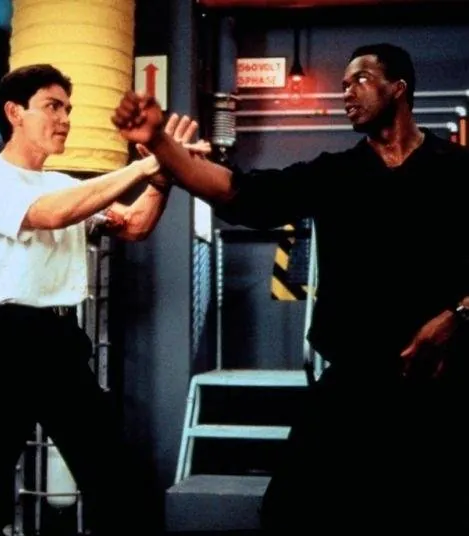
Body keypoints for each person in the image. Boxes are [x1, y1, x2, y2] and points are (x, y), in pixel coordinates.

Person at [111, 43, 469, 530]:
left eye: (360, 80)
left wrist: (457, 316)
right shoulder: (336, 174)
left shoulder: (457, 169)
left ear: (398, 89)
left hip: (439, 383)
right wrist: (160, 142)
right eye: (343, 85)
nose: (346, 93)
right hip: (355, 383)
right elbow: (240, 193)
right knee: (290, 512)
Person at [0, 63, 209, 536]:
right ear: (14, 113)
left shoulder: (64, 184)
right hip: (6, 342)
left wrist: (162, 178)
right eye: (52, 107)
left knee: (112, 474)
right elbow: (50, 215)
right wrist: (144, 164)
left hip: (59, 339)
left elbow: (135, 225)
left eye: (68, 109)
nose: (65, 119)